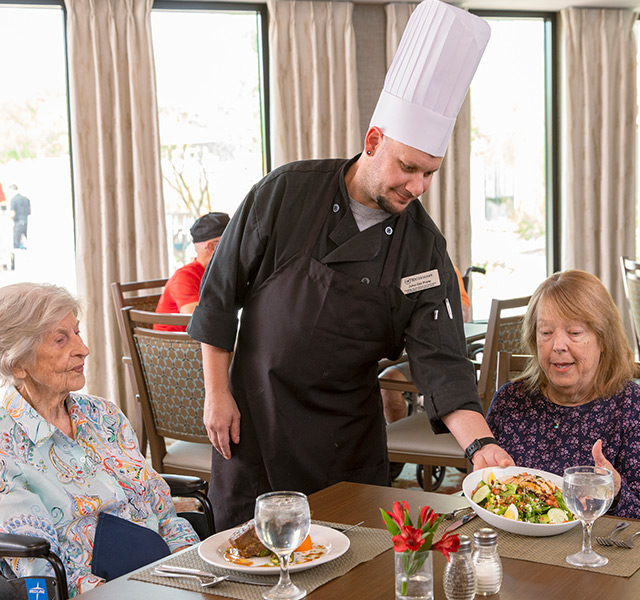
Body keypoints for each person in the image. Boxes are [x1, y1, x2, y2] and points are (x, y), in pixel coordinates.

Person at [188, 0, 513, 532]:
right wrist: (217, 393)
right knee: (248, 569)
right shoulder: (286, 192)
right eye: (408, 168)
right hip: (256, 424)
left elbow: (443, 364)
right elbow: (219, 297)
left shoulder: (424, 249)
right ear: (373, 141)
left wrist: (481, 444)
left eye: (429, 173)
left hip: (345, 441)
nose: (418, 187)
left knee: (352, 571)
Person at [0, 283, 198, 596]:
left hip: (167, 575)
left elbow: (163, 511)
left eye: (77, 332)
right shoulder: (4, 444)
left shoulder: (104, 414)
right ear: (17, 364)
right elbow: (39, 568)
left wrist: (193, 566)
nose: (83, 348)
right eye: (61, 339)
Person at [486, 270, 640, 518]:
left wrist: (616, 491)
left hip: (597, 551)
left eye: (575, 333)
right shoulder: (510, 400)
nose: (557, 345)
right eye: (546, 333)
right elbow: (480, 493)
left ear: (603, 339)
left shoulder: (632, 406)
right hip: (513, 547)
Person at [380, 264, 472, 424]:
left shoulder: (443, 266)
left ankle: (399, 441)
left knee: (387, 384)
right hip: (382, 352)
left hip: (428, 355)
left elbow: (463, 312)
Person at [154, 211, 230, 332]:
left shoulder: (215, 274)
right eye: (230, 242)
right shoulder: (184, 277)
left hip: (200, 344)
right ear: (212, 248)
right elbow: (199, 322)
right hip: (173, 347)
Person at [8, 184, 30, 250]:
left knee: (16, 244)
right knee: (28, 241)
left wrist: (9, 218)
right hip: (27, 222)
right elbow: (30, 210)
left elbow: (13, 213)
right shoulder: (26, 199)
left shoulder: (13, 200)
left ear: (12, 190)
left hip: (18, 223)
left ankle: (16, 259)